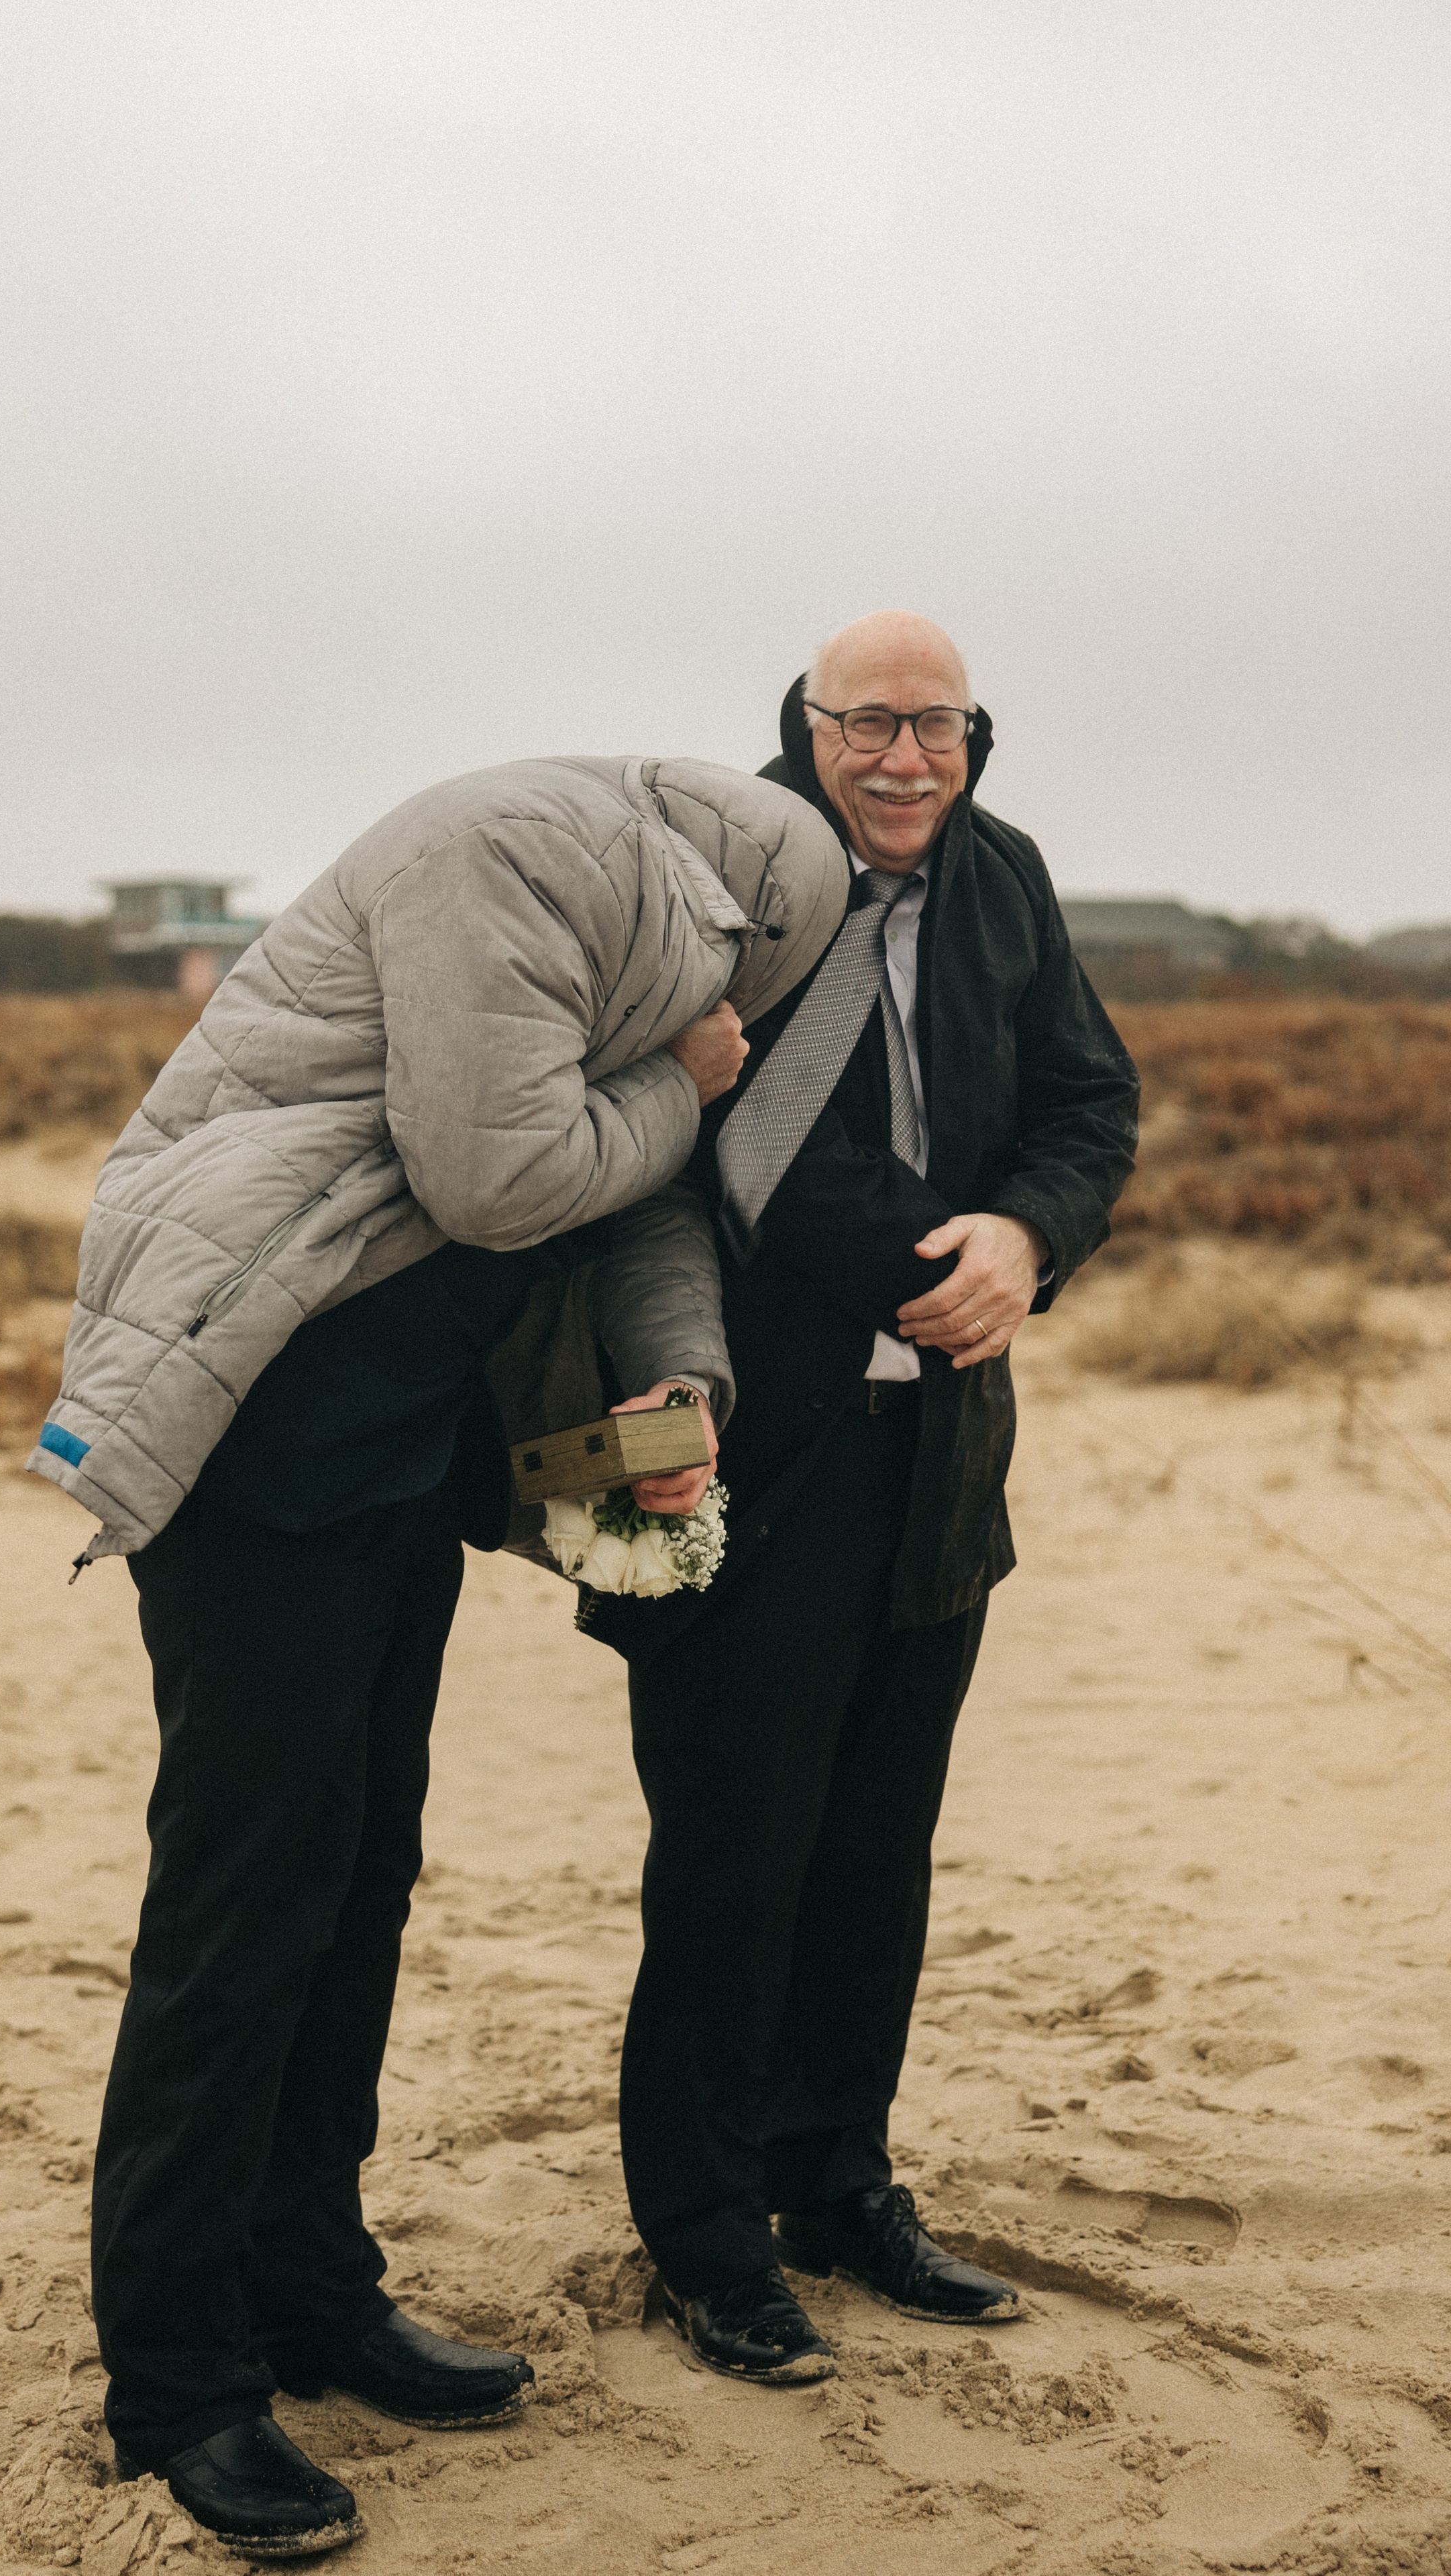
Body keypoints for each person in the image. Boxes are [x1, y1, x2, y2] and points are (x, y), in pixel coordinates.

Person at [28, 756, 845, 2553]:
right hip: (260, 1441)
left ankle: (311, 2289)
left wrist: (678, 1379)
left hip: (398, 1458)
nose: (730, 1018)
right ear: (737, 916)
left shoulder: (637, 977)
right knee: (243, 1911)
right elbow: (497, 1176)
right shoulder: (521, 853)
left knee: (359, 1881)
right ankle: (180, 2386)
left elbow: (640, 1199)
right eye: (741, 987)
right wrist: (685, 1077)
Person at [583, 616, 1141, 2385]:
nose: (905, 760)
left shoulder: (1005, 876)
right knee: (732, 1856)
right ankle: (707, 2236)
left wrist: (1029, 1235)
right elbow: (738, 1147)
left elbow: (1089, 1098)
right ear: (805, 727)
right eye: (869, 725)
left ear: (976, 737)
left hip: (941, 1451)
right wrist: (945, 1262)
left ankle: (837, 2186)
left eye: (937, 728)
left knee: (877, 1849)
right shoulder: (722, 877)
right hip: (725, 1440)